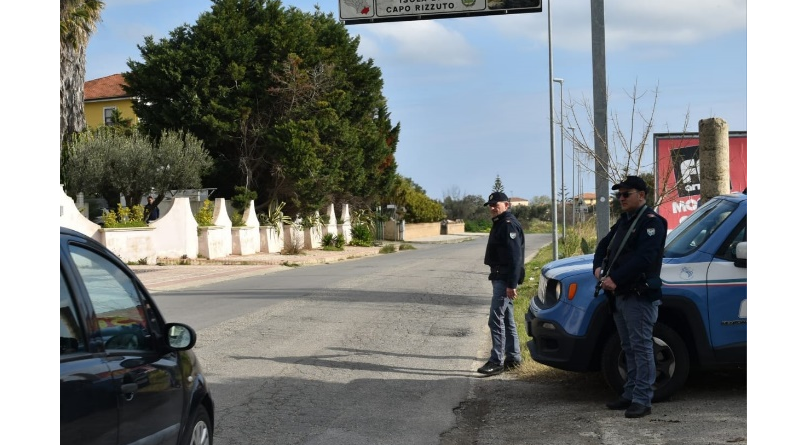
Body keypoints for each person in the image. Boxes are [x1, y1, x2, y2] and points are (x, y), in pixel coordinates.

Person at [592, 176, 667, 418]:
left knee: (642, 346)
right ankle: (630, 393)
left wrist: (616, 278)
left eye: (627, 194)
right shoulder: (624, 221)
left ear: (642, 195)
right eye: (619, 195)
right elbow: (603, 246)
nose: (621, 198)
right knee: (628, 346)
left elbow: (644, 258)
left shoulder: (652, 222)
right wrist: (599, 269)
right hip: (620, 296)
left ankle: (643, 400)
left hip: (638, 294)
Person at [477, 191, 525, 376]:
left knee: (495, 319)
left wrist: (511, 284)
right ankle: (513, 357)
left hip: (505, 279)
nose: (492, 207)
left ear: (507, 205)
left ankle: (496, 361)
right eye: (490, 205)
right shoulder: (501, 223)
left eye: (496, 204)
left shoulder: (508, 225)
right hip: (501, 277)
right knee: (506, 318)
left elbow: (515, 257)